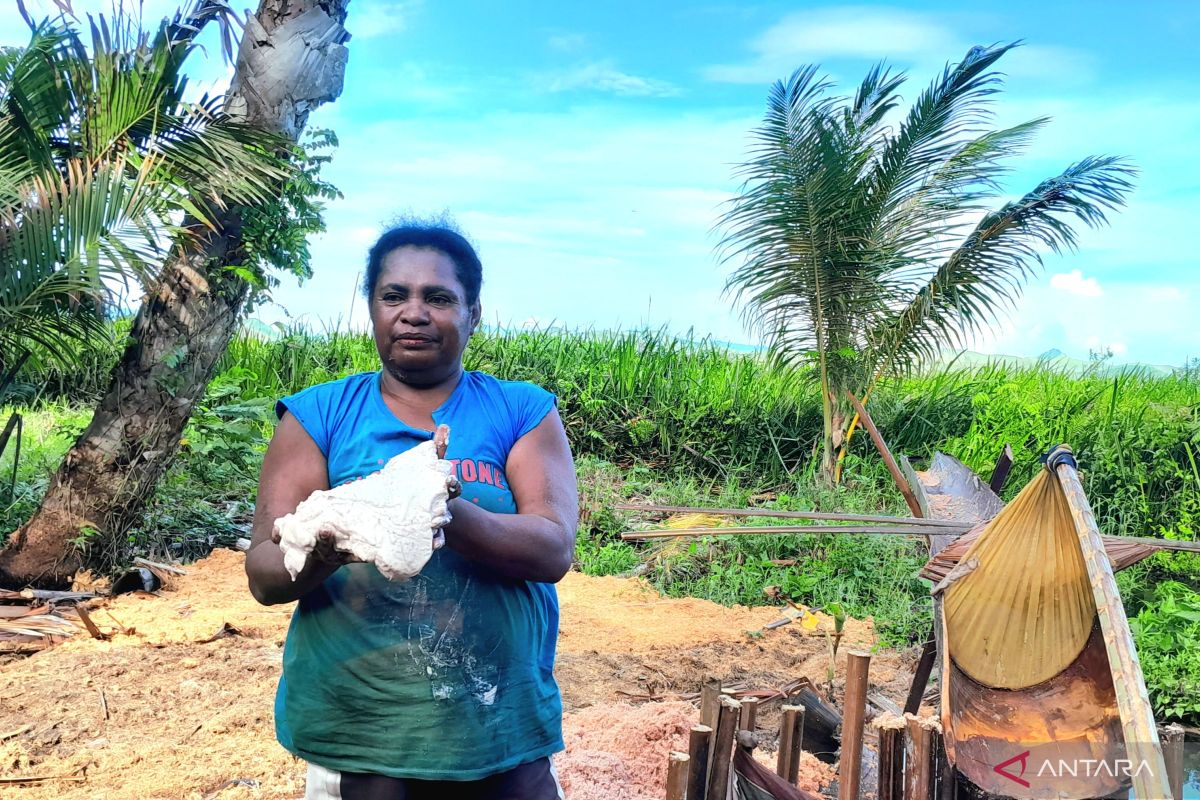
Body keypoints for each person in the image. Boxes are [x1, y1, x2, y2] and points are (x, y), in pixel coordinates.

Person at [245, 221, 578, 800]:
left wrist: (435, 508)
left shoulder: (520, 410)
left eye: (439, 297)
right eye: (394, 295)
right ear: (372, 308)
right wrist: (334, 535)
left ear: (474, 313)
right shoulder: (317, 415)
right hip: (363, 727)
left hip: (499, 720)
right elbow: (265, 575)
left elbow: (552, 548)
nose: (414, 312)